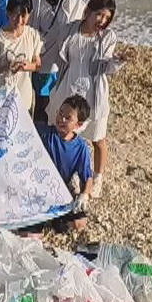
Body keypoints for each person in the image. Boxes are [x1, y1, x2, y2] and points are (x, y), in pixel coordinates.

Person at [44, 0, 128, 198]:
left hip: (93, 91)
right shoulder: (69, 30)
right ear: (88, 11)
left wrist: (118, 61)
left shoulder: (107, 37)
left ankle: (97, 177)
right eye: (99, 14)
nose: (102, 21)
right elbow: (58, 56)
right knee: (63, 131)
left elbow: (104, 67)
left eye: (107, 18)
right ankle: (63, 170)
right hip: (68, 88)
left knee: (97, 138)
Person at [30, 0, 114, 123]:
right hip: (43, 67)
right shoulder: (38, 2)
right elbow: (32, 34)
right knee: (42, 113)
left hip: (67, 66)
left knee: (65, 113)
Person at [37, 95, 95, 232]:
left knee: (80, 223)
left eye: (68, 118)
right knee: (31, 235)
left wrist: (84, 195)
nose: (61, 119)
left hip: (61, 191)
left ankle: (57, 223)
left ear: (78, 125)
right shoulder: (44, 133)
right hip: (38, 190)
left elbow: (87, 177)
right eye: (60, 113)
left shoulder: (80, 147)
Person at [0, 0, 43, 113]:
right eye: (15, 15)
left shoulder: (33, 35)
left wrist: (26, 66)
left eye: (23, 16)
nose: (19, 20)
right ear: (8, 13)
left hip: (24, 100)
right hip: (0, 100)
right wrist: (7, 67)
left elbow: (37, 65)